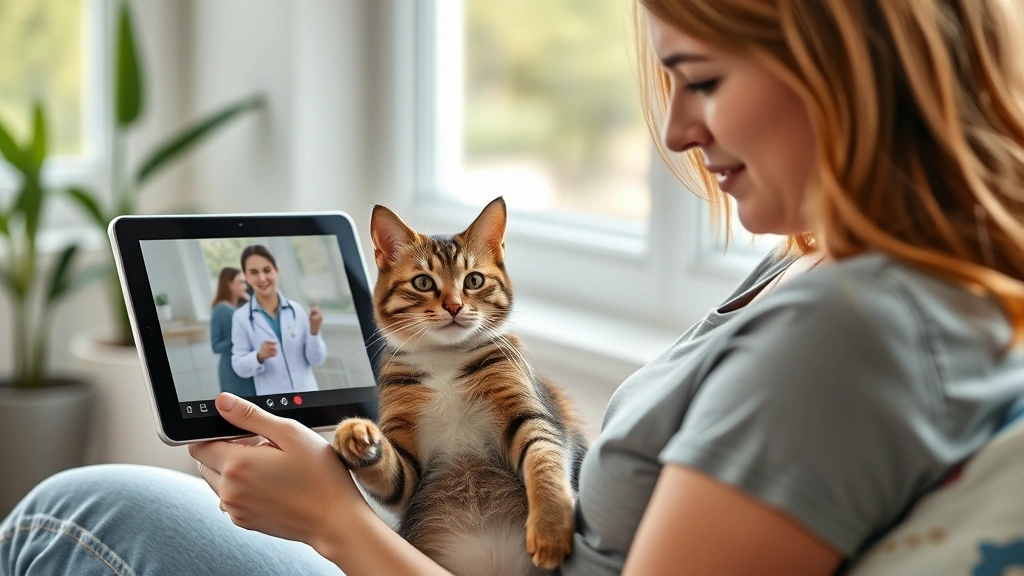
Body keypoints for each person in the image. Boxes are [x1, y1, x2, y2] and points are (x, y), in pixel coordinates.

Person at [3, 0, 1024, 574]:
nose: (673, 132)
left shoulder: (848, 325)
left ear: (851, 66)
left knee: (76, 515)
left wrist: (334, 522)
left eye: (702, 79)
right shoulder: (836, 256)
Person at [231, 245, 327, 396]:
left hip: (308, 395)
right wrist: (259, 356)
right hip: (274, 401)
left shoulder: (297, 310)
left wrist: (314, 332)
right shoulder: (241, 318)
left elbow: (317, 360)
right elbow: (238, 366)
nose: (262, 278)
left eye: (267, 270)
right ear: (246, 277)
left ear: (276, 270)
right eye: (254, 273)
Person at [210, 267, 257, 397]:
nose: (244, 285)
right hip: (232, 372)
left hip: (248, 366)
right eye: (240, 282)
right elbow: (215, 346)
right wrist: (239, 339)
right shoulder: (221, 310)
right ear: (229, 284)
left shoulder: (243, 306)